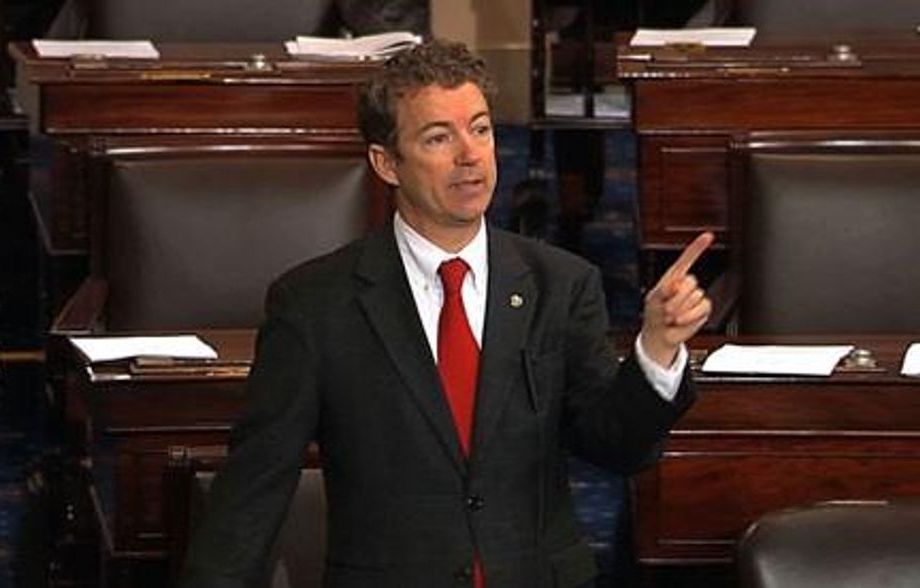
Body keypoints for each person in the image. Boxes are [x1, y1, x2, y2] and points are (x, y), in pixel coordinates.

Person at [180, 40, 712, 588]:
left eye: (480, 129)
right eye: (439, 137)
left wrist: (657, 349)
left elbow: (617, 448)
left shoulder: (561, 284)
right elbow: (254, 489)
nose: (470, 155)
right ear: (387, 163)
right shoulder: (315, 304)